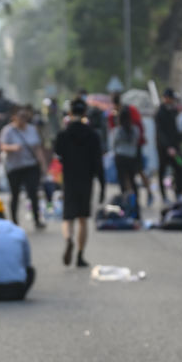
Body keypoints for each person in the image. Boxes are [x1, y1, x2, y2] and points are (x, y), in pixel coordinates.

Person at [53, 98, 104, 268]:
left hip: (69, 179)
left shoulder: (64, 134)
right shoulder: (92, 135)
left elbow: (57, 154)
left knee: (68, 218)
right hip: (86, 180)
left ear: (69, 112)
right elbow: (98, 162)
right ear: (85, 113)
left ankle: (68, 239)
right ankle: (80, 256)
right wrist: (102, 184)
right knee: (83, 219)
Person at [0, 107, 45, 230]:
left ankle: (37, 220)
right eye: (20, 116)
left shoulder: (32, 130)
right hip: (14, 168)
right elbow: (2, 146)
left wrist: (43, 165)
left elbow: (37, 148)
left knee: (33, 193)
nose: (22, 119)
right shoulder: (8, 131)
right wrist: (12, 148)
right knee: (15, 195)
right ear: (14, 117)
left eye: (24, 116)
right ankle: (14, 222)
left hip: (31, 166)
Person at [155, 89, 182, 201]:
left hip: (175, 146)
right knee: (162, 170)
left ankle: (178, 193)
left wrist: (180, 143)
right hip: (163, 148)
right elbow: (160, 132)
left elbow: (176, 129)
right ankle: (163, 195)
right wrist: (168, 147)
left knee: (179, 168)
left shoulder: (174, 111)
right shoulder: (160, 112)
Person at [111, 107, 141, 208]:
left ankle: (126, 202)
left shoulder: (117, 130)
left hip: (120, 158)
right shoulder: (135, 129)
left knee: (123, 181)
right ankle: (135, 202)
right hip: (132, 158)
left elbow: (114, 145)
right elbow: (136, 142)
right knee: (132, 180)